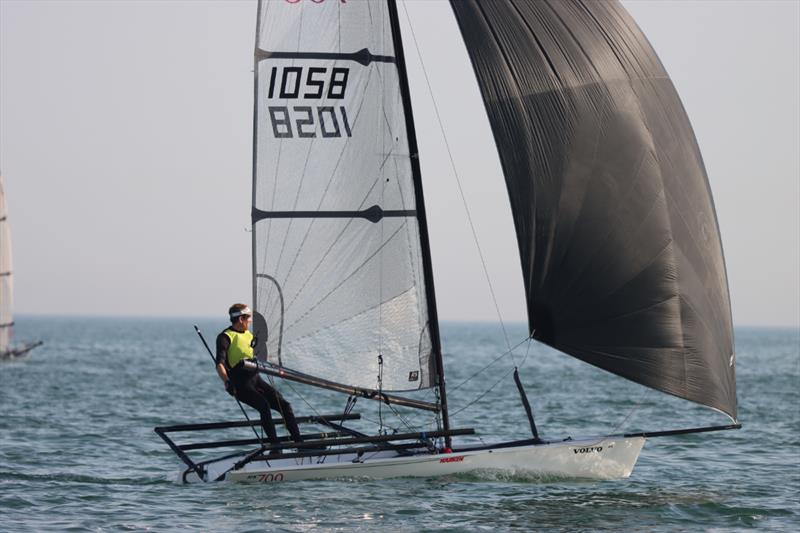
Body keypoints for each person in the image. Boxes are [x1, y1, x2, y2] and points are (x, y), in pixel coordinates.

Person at [216, 303, 302, 452]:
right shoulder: (225, 337)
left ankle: (300, 445)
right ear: (241, 319)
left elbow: (260, 354)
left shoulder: (250, 335)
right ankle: (275, 447)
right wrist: (227, 382)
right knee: (264, 406)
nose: (250, 321)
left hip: (256, 380)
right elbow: (220, 364)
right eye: (248, 318)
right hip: (240, 385)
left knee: (285, 406)